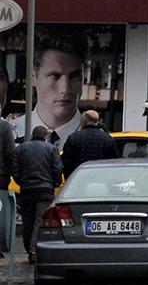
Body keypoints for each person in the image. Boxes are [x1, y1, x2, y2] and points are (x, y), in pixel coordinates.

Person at [20, 34, 87, 146]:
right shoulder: (9, 134)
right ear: (33, 77)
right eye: (54, 76)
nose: (65, 89)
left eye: (74, 76)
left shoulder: (102, 140)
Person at [14, 126, 61, 262]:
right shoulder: (52, 149)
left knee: (27, 221)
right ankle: (34, 251)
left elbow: (15, 167)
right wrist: (55, 183)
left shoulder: (21, 148)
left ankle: (28, 248)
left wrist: (21, 181)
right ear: (45, 136)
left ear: (33, 135)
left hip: (26, 190)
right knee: (39, 221)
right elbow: (57, 168)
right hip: (45, 190)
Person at [60, 109, 117, 175]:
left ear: (85, 120)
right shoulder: (107, 138)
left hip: (78, 177)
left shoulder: (74, 137)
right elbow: (113, 161)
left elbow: (65, 161)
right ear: (97, 122)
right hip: (101, 177)